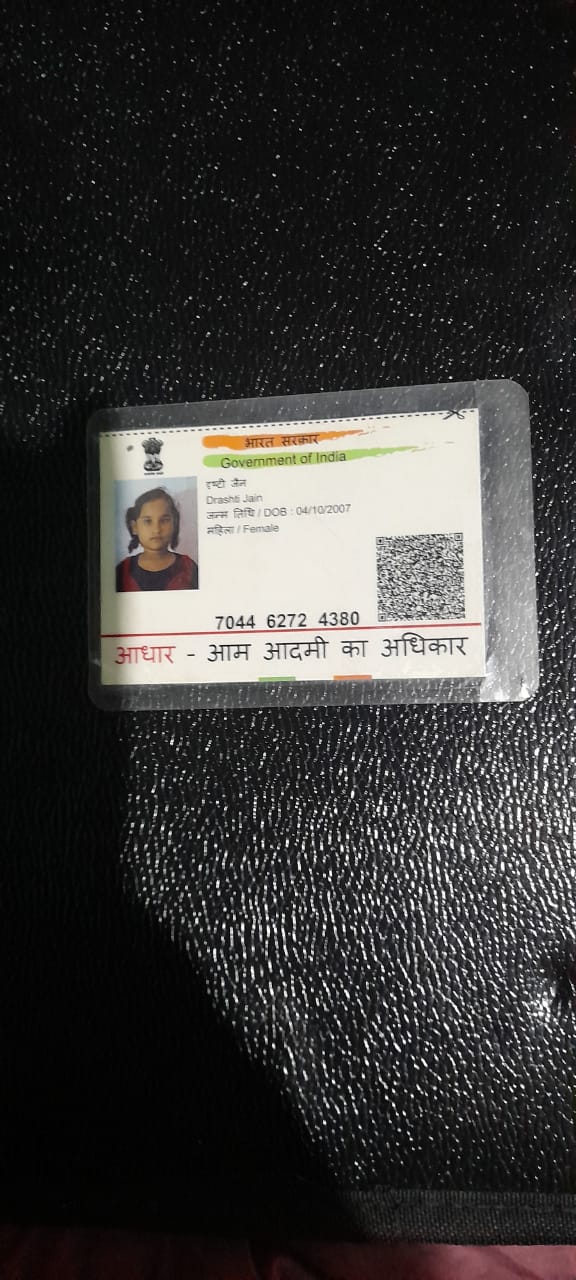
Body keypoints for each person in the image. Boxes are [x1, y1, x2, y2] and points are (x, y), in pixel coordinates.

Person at [116, 487, 198, 591]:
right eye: (147, 521)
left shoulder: (189, 567)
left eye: (164, 520)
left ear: (174, 524)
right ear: (135, 527)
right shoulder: (122, 570)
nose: (156, 529)